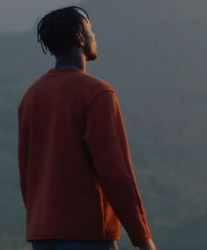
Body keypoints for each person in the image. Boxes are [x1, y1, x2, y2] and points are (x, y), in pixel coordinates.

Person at [18, 6, 156, 250]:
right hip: (88, 236)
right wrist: (143, 238)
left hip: (42, 235)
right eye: (91, 31)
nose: (94, 37)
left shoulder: (31, 96)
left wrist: (43, 223)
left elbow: (26, 174)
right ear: (80, 38)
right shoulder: (97, 94)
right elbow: (115, 173)